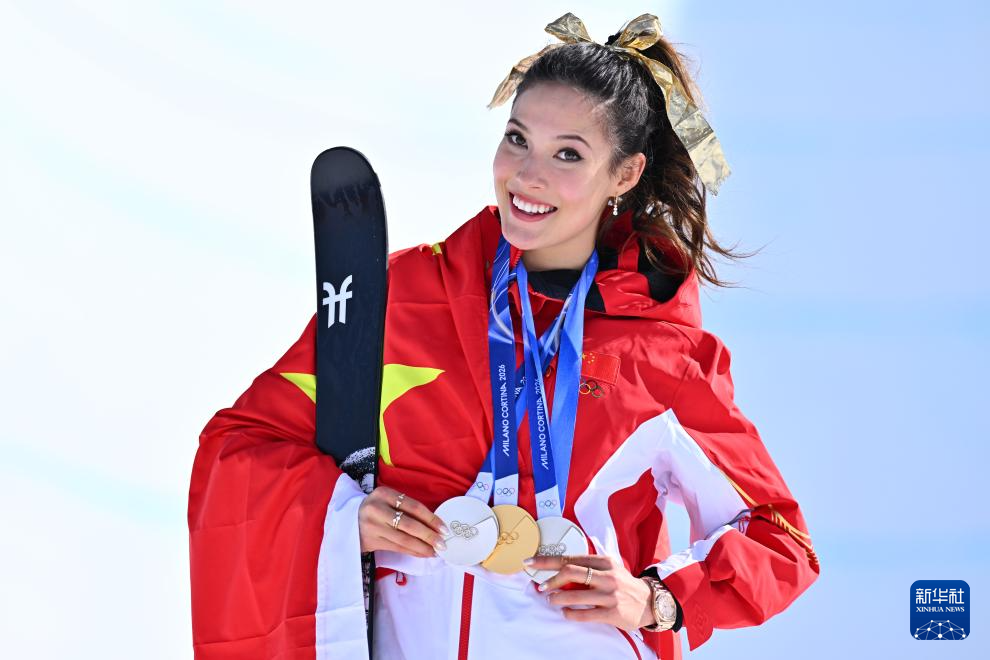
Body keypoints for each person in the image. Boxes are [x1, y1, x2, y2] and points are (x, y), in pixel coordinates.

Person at [188, 12, 819, 660]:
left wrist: (656, 599)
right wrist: (342, 515)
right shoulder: (407, 296)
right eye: (517, 138)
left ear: (624, 175)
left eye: (568, 154)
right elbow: (243, 449)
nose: (527, 175)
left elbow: (781, 541)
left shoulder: (661, 355)